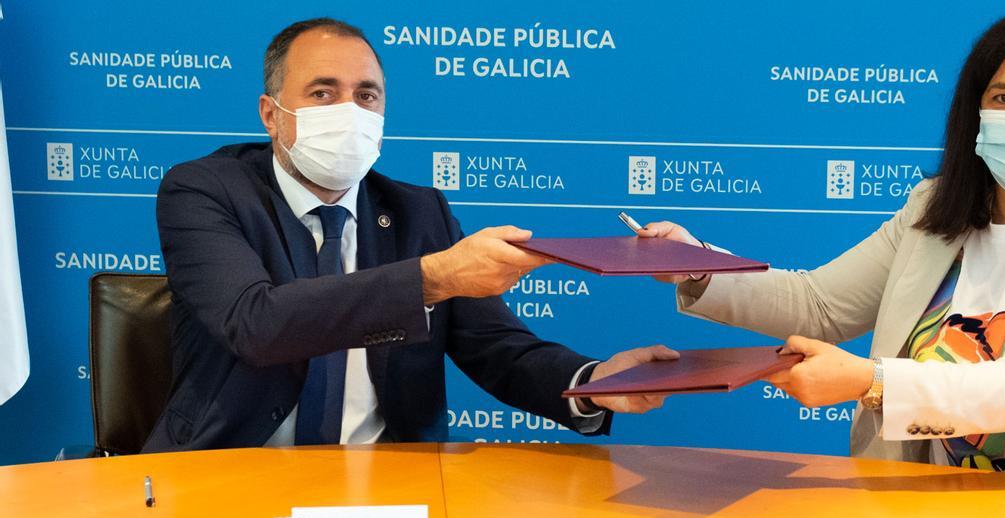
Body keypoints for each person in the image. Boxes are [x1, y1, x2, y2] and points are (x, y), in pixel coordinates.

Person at [641, 8, 1005, 499]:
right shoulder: (933, 209)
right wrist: (696, 264)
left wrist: (873, 382)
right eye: (1004, 97)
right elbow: (818, 305)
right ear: (977, 111)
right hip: (951, 508)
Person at [143, 18, 674, 452]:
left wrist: (598, 383)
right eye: (323, 93)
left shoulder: (419, 213)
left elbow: (499, 349)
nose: (348, 112)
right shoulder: (205, 191)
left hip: (388, 492)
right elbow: (255, 324)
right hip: (230, 473)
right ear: (271, 115)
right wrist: (430, 279)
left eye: (366, 96)